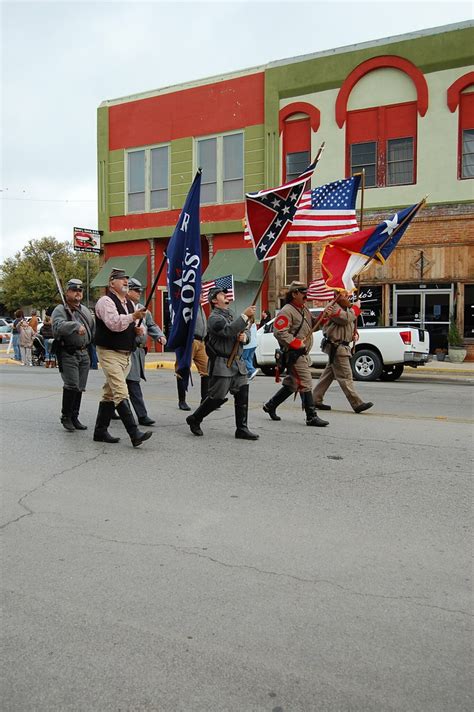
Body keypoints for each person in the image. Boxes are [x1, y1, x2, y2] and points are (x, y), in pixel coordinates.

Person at [185, 287, 259, 440]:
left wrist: (245, 337)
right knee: (217, 397)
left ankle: (242, 428)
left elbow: (245, 330)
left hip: (238, 362)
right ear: (214, 300)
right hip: (223, 363)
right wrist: (244, 316)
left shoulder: (232, 314)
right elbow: (228, 331)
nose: (226, 295)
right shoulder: (214, 318)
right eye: (221, 294)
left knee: (242, 393)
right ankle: (195, 418)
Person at [93, 268, 151, 447]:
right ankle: (134, 434)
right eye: (121, 279)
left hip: (126, 354)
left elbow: (127, 324)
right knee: (120, 391)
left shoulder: (130, 304)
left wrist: (136, 328)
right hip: (109, 352)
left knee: (109, 393)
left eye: (126, 279)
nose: (125, 282)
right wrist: (133, 317)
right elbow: (113, 324)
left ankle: (100, 431)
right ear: (112, 283)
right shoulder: (106, 301)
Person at [263, 281, 329, 427]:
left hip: (302, 353)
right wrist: (295, 343)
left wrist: (324, 318)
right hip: (294, 354)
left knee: (292, 384)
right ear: (294, 294)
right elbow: (279, 332)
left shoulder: (303, 309)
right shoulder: (287, 310)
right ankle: (311, 416)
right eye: (302, 291)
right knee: (306, 382)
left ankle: (270, 405)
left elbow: (311, 326)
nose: (306, 295)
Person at [312, 291, 374, 414]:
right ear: (336, 295)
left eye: (347, 294)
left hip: (341, 346)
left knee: (328, 375)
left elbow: (345, 326)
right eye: (344, 294)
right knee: (346, 376)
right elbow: (345, 319)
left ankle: (315, 399)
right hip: (337, 347)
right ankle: (357, 403)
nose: (347, 296)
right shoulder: (333, 307)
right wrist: (356, 308)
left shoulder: (345, 308)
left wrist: (352, 335)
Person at [52, 279, 95, 431]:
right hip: (68, 352)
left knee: (80, 387)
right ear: (67, 292)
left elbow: (91, 327)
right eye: (74, 290)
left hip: (84, 351)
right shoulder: (60, 309)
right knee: (71, 385)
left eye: (80, 290)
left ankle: (75, 416)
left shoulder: (84, 310)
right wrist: (74, 325)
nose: (78, 292)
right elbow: (57, 327)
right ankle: (66, 416)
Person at [126, 278, 167, 425]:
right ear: (128, 290)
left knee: (119, 385)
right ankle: (142, 415)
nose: (139, 293)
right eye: (136, 290)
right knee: (132, 382)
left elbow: (151, 325)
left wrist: (160, 336)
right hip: (127, 350)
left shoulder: (143, 309)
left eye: (140, 291)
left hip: (139, 352)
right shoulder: (124, 309)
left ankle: (110, 408)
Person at [176, 302, 209, 411]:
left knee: (206, 370)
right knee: (182, 369)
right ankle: (182, 401)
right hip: (190, 340)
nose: (202, 294)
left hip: (201, 341)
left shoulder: (200, 307)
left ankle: (205, 400)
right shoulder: (188, 305)